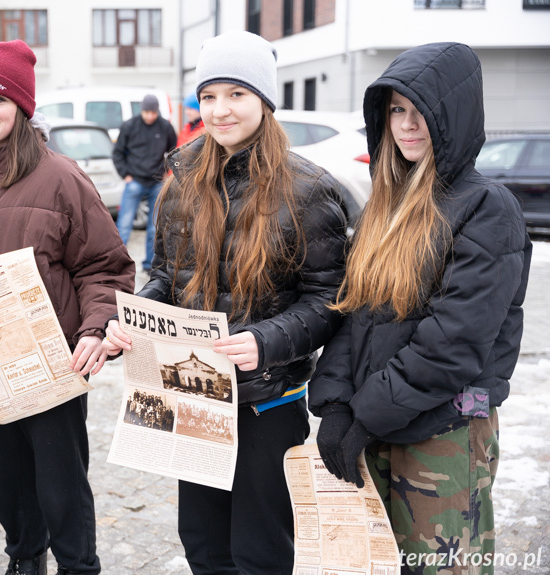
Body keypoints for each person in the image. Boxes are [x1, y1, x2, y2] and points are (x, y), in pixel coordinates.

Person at [102, 31, 348, 574]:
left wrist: (265, 340)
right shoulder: (184, 181)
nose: (220, 110)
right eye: (209, 96)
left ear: (264, 100)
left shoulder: (307, 191)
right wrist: (134, 320)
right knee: (204, 545)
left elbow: (329, 300)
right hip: (194, 401)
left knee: (259, 552)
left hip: (269, 401)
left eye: (236, 94)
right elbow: (165, 276)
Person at [309, 42, 532, 574]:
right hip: (378, 424)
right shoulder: (386, 205)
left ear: (452, 115)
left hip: (443, 435)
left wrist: (365, 413)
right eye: (396, 111)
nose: (407, 125)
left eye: (421, 112)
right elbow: (354, 312)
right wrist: (337, 402)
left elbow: (453, 341)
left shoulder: (486, 208)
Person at [0, 40, 135, 575]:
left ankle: (78, 565)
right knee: (3, 477)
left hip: (53, 359)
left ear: (22, 107)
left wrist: (94, 328)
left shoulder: (61, 177)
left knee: (60, 482)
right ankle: (25, 559)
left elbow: (104, 266)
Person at [111, 93, 177, 274]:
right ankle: (116, 264)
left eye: (153, 112)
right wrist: (125, 175)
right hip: (134, 181)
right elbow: (117, 152)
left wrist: (168, 173)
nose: (150, 116)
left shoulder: (165, 127)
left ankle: (149, 265)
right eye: (147, 112)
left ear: (157, 111)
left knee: (154, 228)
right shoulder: (130, 126)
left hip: (156, 183)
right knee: (124, 225)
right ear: (142, 111)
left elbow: (174, 151)